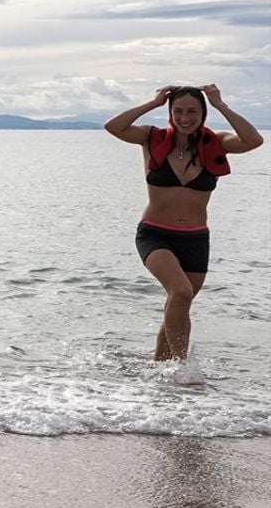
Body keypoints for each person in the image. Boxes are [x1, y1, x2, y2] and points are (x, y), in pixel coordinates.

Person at [103, 84, 262, 362]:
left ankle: (160, 371)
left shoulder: (216, 142)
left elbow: (253, 140)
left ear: (203, 113)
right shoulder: (151, 138)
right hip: (155, 234)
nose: (185, 117)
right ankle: (182, 369)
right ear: (170, 112)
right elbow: (113, 126)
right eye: (178, 111)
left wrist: (221, 105)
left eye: (192, 111)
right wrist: (152, 103)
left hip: (195, 239)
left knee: (178, 303)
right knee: (181, 291)